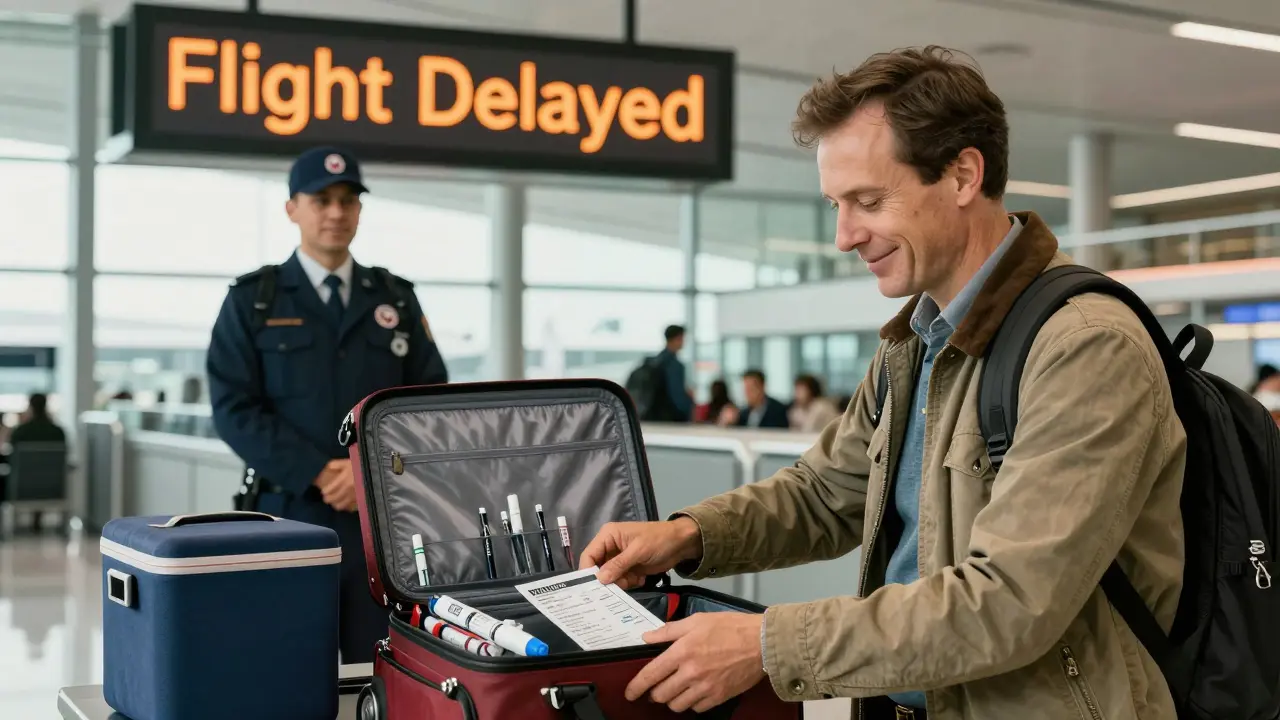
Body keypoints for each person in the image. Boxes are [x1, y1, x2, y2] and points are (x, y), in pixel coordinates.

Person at [579, 46, 1185, 719]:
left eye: (867, 200)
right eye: (836, 204)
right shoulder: (914, 342)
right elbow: (826, 494)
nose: (843, 235)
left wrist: (768, 645)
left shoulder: (1083, 347)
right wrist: (688, 536)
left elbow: (1011, 601)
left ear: (962, 175)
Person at [207, 146, 449, 663]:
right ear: (292, 208)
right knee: (285, 668)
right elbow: (233, 407)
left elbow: (428, 404)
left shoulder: (396, 299)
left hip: (382, 521)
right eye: (321, 200)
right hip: (286, 516)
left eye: (348, 200)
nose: (336, 212)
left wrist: (366, 474)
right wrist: (319, 471)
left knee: (384, 669)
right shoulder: (254, 300)